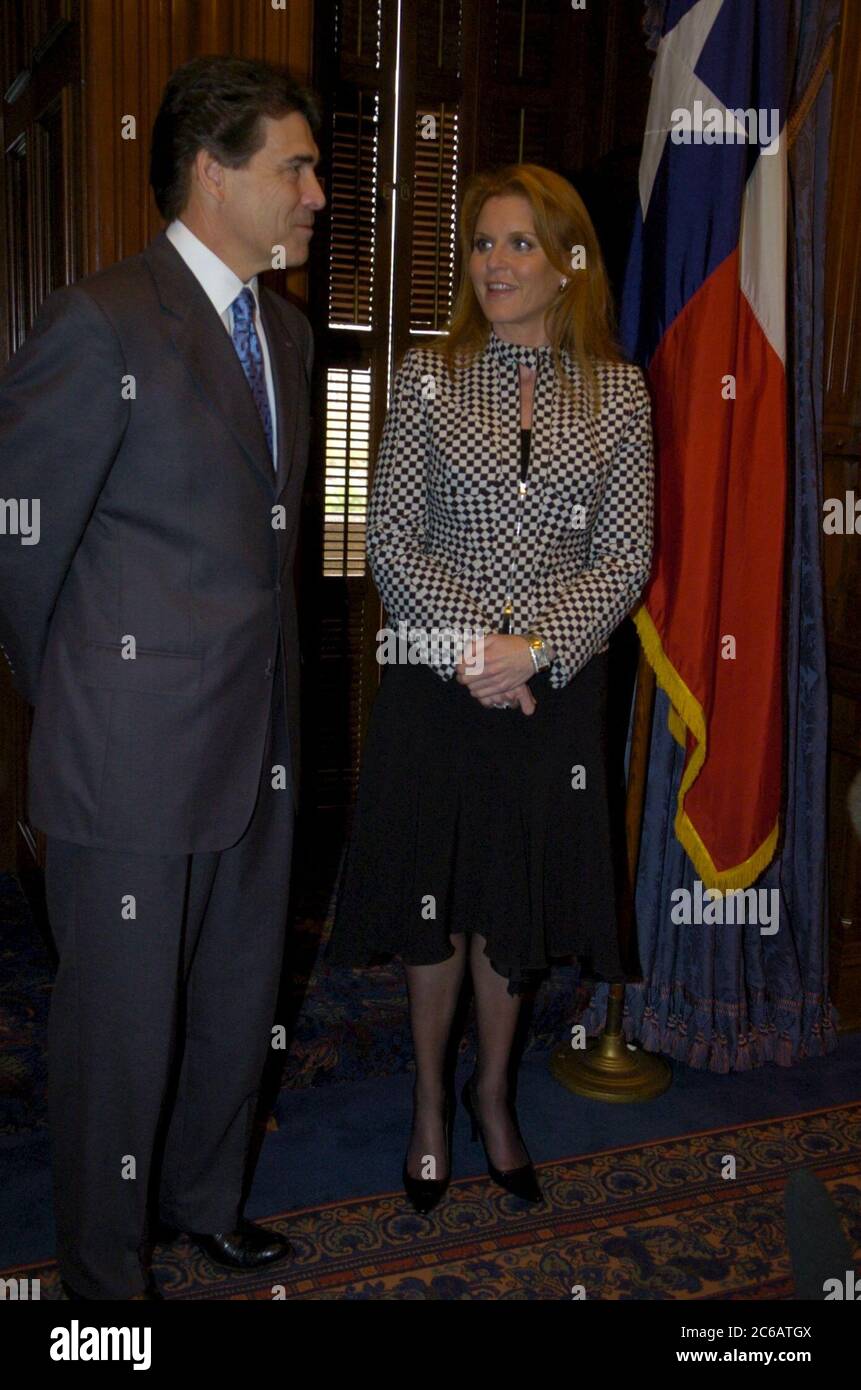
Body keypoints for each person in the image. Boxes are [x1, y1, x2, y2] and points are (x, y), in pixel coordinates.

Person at [0, 55, 325, 1299]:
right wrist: (82, 697)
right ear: (212, 168)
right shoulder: (102, 320)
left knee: (239, 998)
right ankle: (100, 1278)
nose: (314, 195)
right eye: (294, 167)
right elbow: (21, 535)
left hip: (261, 744)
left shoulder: (287, 333)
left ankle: (202, 1201)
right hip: (131, 753)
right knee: (119, 1040)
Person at [327, 163, 654, 1213]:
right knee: (436, 898)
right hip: (436, 678)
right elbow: (391, 539)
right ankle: (428, 1099)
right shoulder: (428, 376)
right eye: (483, 242)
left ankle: (493, 1094)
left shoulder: (620, 389)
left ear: (569, 263)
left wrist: (534, 650)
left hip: (554, 691)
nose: (497, 262)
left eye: (521, 243)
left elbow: (627, 555)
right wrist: (479, 646)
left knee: (511, 904)